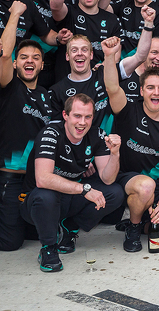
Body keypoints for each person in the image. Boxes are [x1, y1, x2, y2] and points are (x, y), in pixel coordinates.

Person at [20, 93, 124, 272]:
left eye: (87, 117)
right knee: (46, 195)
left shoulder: (97, 134)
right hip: (35, 202)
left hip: (69, 198)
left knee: (115, 192)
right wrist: (84, 189)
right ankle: (49, 248)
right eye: (77, 116)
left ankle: (70, 226)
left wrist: (115, 154)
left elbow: (108, 178)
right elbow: (43, 178)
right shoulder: (50, 133)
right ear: (65, 115)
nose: (82, 122)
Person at [102, 37, 159, 251]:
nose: (155, 92)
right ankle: (134, 226)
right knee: (145, 186)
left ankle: (147, 218)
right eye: (150, 88)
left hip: (156, 186)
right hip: (126, 179)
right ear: (141, 91)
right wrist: (109, 57)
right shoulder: (129, 110)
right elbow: (112, 88)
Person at [0, 9, 53, 251]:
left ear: (42, 65)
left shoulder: (44, 95)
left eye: (35, 57)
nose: (29, 61)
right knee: (11, 244)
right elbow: (3, 53)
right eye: (23, 57)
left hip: (34, 183)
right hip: (9, 180)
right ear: (14, 62)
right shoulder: (9, 86)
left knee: (38, 234)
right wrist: (15, 15)